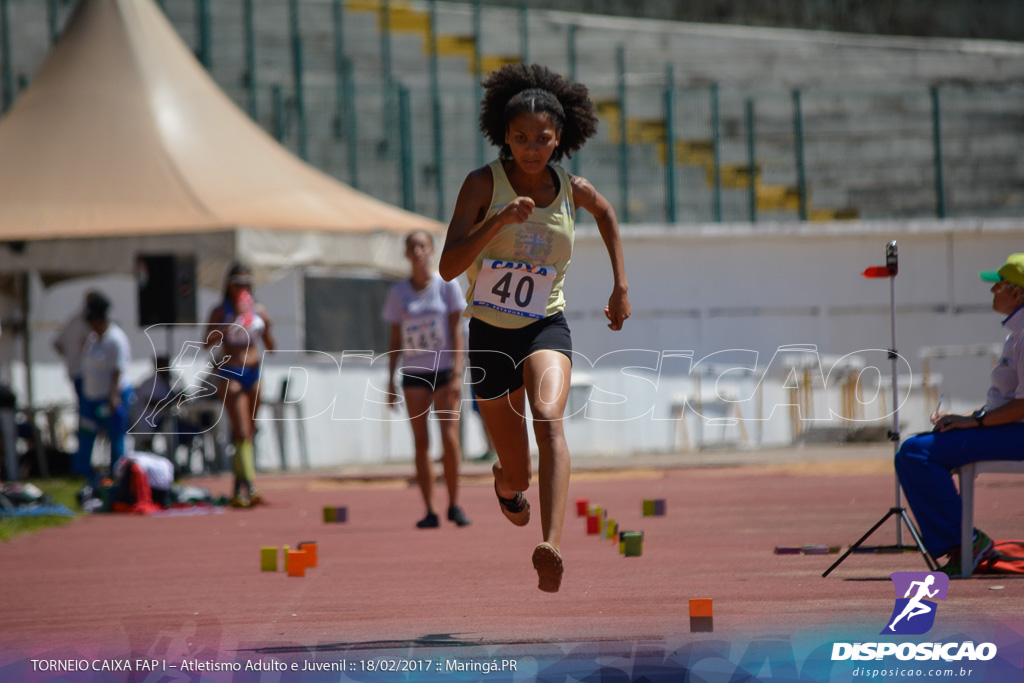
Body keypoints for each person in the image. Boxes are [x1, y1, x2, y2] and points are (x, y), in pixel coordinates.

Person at [438, 63, 631, 592]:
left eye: (542, 139)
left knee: (550, 419)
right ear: (504, 135)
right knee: (517, 469)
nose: (531, 148)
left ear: (559, 139)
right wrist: (497, 221)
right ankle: (506, 487)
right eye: (520, 138)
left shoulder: (573, 189)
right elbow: (448, 267)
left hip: (546, 324)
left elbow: (608, 215)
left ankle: (551, 544)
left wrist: (620, 286)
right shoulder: (482, 184)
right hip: (490, 334)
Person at [895, 253, 1024, 576]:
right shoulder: (1016, 334)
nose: (992, 292)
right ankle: (961, 541)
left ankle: (964, 542)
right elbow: (1007, 401)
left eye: (998, 286)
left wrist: (974, 422)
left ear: (1017, 292)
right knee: (921, 445)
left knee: (916, 453)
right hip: (1010, 428)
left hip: (1018, 432)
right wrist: (969, 416)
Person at [382, 230, 472, 529]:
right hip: (414, 374)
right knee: (421, 442)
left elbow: (457, 330)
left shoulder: (446, 286)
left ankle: (454, 504)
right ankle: (430, 510)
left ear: (431, 250)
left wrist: (458, 372)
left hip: (445, 371)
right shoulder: (399, 293)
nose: (417, 251)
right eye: (412, 247)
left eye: (422, 245)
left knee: (449, 438)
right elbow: (395, 337)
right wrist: (390, 380)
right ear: (406, 254)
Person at [204, 262, 275, 507]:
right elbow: (206, 342)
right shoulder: (221, 311)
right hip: (231, 373)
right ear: (229, 285)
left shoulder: (257, 310)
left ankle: (238, 488)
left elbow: (272, 347)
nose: (242, 287)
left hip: (254, 373)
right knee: (242, 431)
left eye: (246, 283)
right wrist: (228, 324)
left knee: (246, 434)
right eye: (238, 283)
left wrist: (268, 325)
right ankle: (251, 485)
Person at [73, 293, 135, 485]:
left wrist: (113, 396)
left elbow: (118, 369)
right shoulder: (91, 339)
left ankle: (117, 471)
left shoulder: (116, 339)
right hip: (90, 396)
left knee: (115, 435)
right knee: (86, 434)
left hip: (110, 396)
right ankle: (82, 471)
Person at [53, 291, 104, 405]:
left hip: (74, 370)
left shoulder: (72, 320)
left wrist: (70, 356)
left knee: (82, 407)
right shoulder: (88, 322)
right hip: (85, 372)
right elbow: (86, 344)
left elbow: (57, 344)